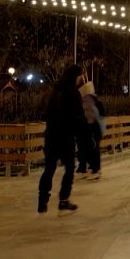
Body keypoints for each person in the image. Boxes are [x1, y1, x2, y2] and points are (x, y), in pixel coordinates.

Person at [37, 64, 85, 213]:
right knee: (69, 168)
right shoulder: (73, 93)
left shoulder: (54, 91)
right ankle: (64, 200)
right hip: (65, 137)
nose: (82, 79)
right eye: (81, 76)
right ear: (75, 76)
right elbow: (78, 118)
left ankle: (42, 201)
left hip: (51, 135)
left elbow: (44, 112)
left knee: (50, 168)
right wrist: (82, 136)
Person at [76, 80, 105, 180]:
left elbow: (92, 116)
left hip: (93, 129)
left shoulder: (88, 100)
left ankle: (95, 169)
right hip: (94, 128)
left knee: (93, 148)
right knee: (89, 148)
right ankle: (91, 168)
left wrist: (90, 124)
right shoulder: (93, 100)